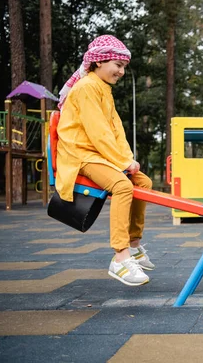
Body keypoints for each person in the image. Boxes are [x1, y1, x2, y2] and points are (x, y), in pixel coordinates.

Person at [56, 35, 154, 287]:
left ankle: (133, 245)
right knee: (122, 186)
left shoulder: (103, 89)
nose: (121, 72)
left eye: (123, 67)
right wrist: (122, 162)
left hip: (98, 153)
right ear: (98, 62)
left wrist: (129, 160)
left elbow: (115, 130)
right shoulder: (87, 87)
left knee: (143, 183)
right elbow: (97, 131)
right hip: (81, 155)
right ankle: (120, 257)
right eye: (117, 65)